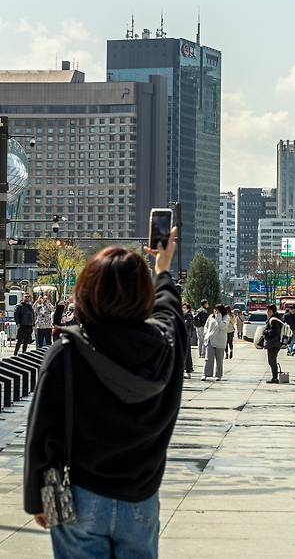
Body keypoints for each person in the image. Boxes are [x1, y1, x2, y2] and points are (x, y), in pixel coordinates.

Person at [23, 230, 185, 559]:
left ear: (86, 291)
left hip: (79, 494)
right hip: (142, 496)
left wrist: (41, 501)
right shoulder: (163, 349)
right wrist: (162, 270)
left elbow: (42, 436)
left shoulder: (67, 352)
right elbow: (170, 313)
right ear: (144, 296)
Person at [203, 305, 229, 380]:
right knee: (208, 358)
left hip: (220, 341)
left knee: (219, 359)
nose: (215, 312)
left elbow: (222, 327)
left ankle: (218, 375)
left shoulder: (226, 317)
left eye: (217, 310)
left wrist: (219, 317)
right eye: (215, 310)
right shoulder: (211, 316)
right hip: (210, 340)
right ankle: (206, 374)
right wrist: (205, 334)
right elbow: (206, 326)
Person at [262, 304, 284, 383]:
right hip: (274, 343)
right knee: (272, 361)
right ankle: (274, 377)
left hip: (273, 344)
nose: (267, 312)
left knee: (272, 361)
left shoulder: (274, 320)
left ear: (272, 311)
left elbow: (274, 332)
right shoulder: (275, 318)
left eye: (268, 311)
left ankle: (275, 378)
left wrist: (265, 332)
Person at [182, 302, 195, 378]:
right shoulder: (181, 316)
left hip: (186, 338)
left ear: (188, 309)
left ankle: (188, 371)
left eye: (184, 308)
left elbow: (188, 328)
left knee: (187, 355)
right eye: (182, 307)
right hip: (181, 338)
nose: (183, 309)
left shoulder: (189, 317)